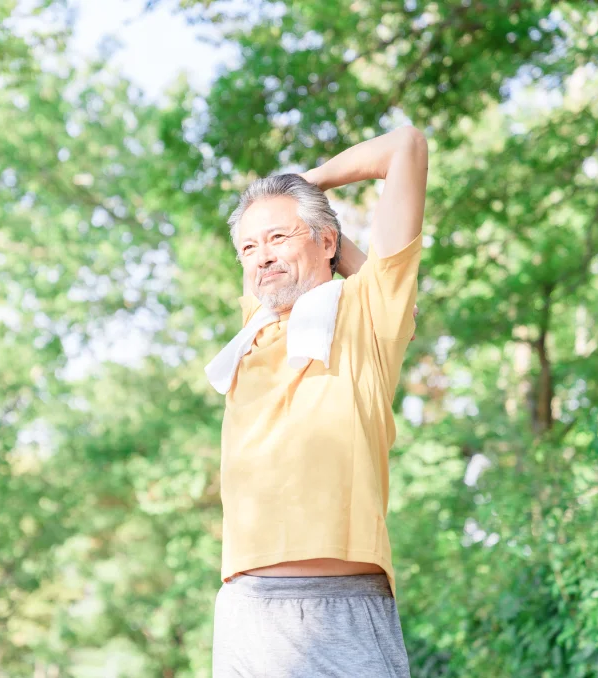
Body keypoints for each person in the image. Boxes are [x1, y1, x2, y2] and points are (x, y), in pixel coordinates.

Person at [206, 126, 429, 677]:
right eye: (249, 247)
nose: (262, 257)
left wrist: (305, 183)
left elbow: (406, 147)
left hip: (341, 610)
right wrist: (285, 219)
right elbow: (273, 268)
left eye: (280, 237)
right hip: (244, 613)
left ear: (327, 242)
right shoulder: (252, 329)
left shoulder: (365, 318)